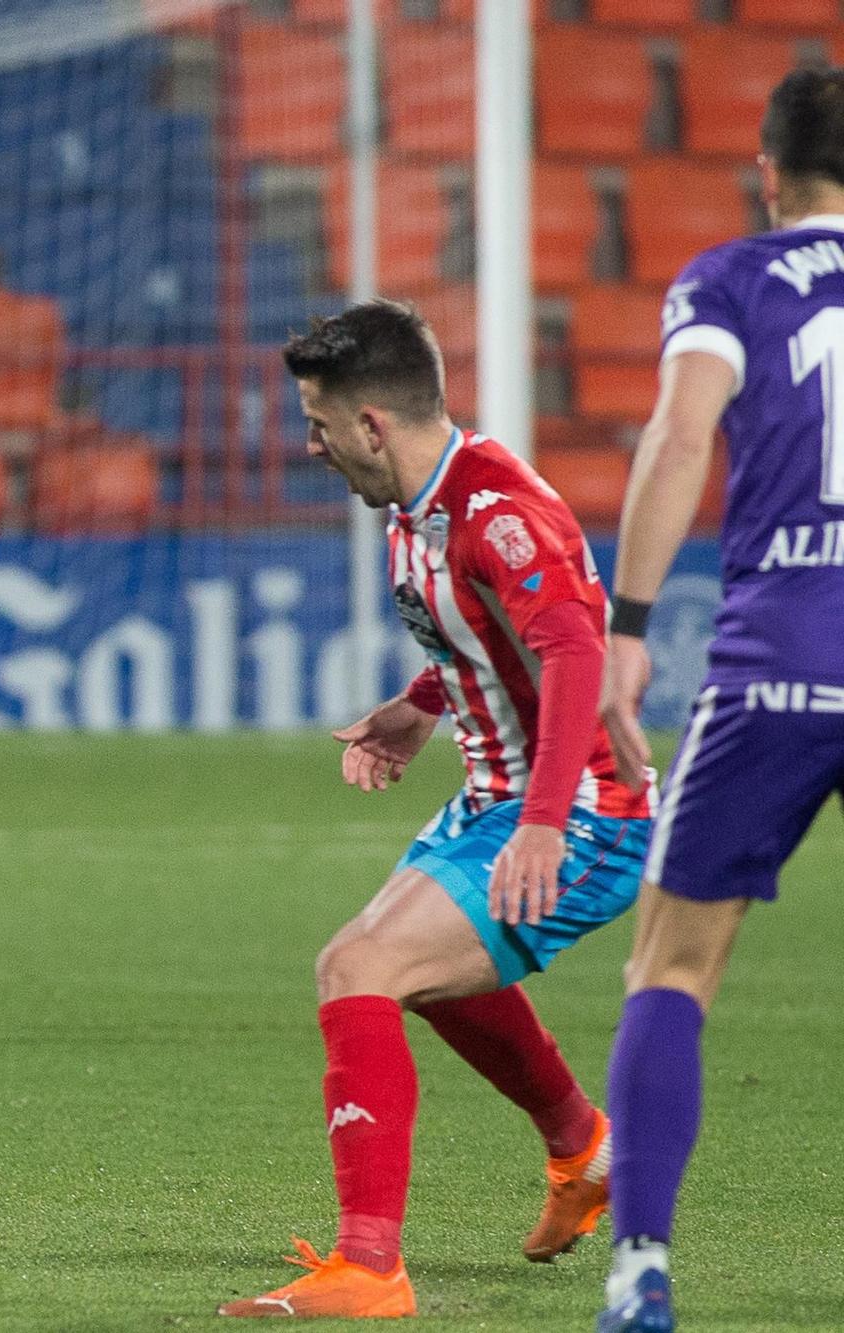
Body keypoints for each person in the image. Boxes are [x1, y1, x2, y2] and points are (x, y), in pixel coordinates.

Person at [218, 301, 656, 1319]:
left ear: (371, 425)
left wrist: (544, 822)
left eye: (319, 427)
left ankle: (369, 1267)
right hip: (494, 795)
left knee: (358, 967)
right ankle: (583, 1148)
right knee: (412, 969)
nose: (312, 447)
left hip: (579, 812)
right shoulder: (416, 506)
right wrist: (416, 711)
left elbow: (574, 651)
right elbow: (476, 640)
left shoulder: (494, 510)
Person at [594, 67, 844, 1333]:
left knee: (671, 966)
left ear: (764, 167)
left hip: (781, 651)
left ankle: (639, 1263)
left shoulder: (728, 280)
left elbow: (679, 437)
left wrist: (626, 630)